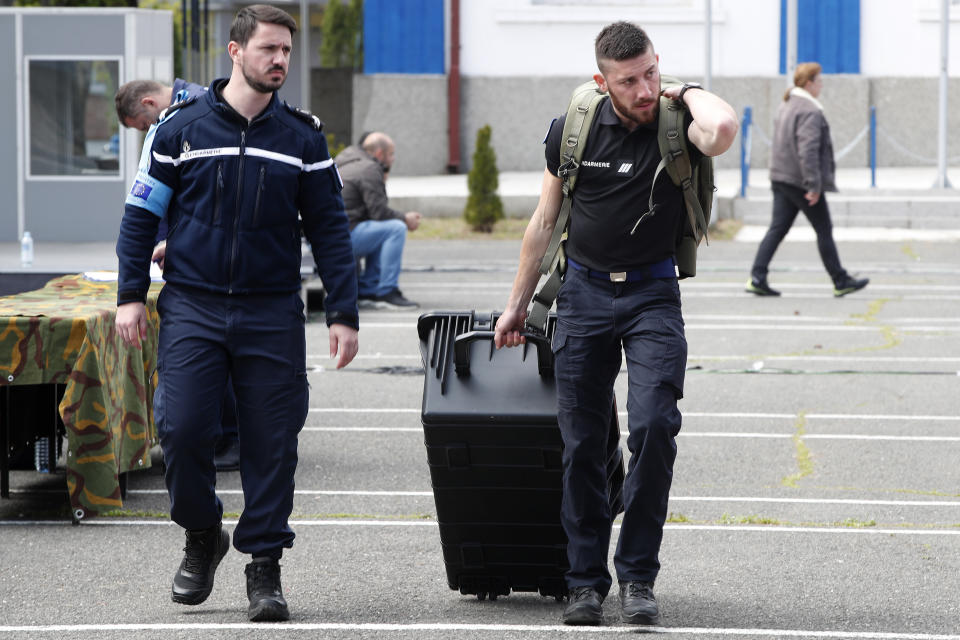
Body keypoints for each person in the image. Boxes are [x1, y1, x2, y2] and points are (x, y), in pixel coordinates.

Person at [115, 4, 358, 622]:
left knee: (272, 444)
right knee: (183, 429)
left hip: (272, 310)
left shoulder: (302, 137)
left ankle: (264, 567)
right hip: (193, 304)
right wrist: (127, 296)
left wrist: (343, 311)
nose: (279, 60)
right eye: (268, 49)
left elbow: (329, 227)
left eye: (286, 51)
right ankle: (202, 534)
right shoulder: (179, 129)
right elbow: (140, 218)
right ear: (235, 51)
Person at [493, 22, 737, 626]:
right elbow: (544, 220)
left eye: (652, 72)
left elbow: (724, 131)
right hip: (583, 295)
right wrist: (517, 304)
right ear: (602, 82)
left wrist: (685, 90)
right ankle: (583, 583)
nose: (644, 88)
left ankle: (637, 577)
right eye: (629, 81)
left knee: (655, 427)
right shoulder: (572, 132)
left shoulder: (676, 121)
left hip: (654, 295)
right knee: (581, 447)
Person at [116, 78, 241, 472]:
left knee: (220, 352)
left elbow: (214, 191)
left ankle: (230, 439)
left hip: (214, 262)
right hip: (189, 254)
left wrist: (180, 239)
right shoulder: (181, 114)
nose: (145, 132)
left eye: (142, 124)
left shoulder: (204, 109)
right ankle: (220, 438)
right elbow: (151, 199)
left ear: (150, 102)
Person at [746, 62, 869, 297]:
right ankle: (840, 280)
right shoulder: (810, 110)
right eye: (820, 81)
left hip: (781, 176)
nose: (821, 86)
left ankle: (757, 276)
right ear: (810, 84)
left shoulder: (788, 104)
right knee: (824, 228)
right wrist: (813, 184)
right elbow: (808, 150)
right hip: (799, 181)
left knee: (778, 228)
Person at [335, 132, 421, 309]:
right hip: (338, 239)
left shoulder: (347, 161)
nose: (393, 159)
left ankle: (367, 289)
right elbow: (379, 212)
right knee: (395, 228)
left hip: (329, 234)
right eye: (391, 154)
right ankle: (386, 291)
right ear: (380, 154)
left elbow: (373, 215)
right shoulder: (369, 169)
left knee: (380, 228)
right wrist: (406, 219)